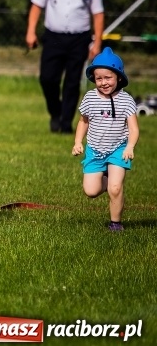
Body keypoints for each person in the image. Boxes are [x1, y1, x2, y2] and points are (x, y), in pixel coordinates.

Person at [26, 0, 104, 134]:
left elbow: (98, 14)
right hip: (54, 36)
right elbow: (37, 5)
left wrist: (97, 42)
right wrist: (31, 32)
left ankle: (66, 122)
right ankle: (55, 112)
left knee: (72, 82)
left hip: (79, 38)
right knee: (47, 78)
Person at [72, 47, 139, 232]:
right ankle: (107, 176)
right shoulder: (90, 98)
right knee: (91, 191)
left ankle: (115, 224)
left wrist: (130, 146)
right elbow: (83, 122)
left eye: (108, 77)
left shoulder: (126, 100)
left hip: (119, 148)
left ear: (118, 77)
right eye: (99, 78)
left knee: (115, 188)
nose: (103, 82)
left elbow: (133, 128)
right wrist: (78, 142)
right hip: (95, 149)